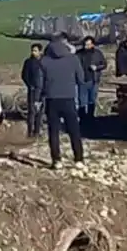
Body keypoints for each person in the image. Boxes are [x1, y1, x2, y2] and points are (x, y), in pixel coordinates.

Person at [39, 36, 84, 168]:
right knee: (74, 130)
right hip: (68, 98)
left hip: (51, 99)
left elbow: (39, 82)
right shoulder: (73, 59)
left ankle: (56, 160)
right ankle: (79, 159)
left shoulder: (44, 61)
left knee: (54, 131)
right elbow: (80, 79)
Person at [76, 36, 106, 121]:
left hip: (94, 79)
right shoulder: (79, 54)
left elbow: (104, 64)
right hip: (82, 80)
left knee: (92, 100)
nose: (86, 47)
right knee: (82, 101)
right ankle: (83, 118)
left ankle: (91, 117)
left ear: (92, 44)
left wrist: (96, 67)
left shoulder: (97, 53)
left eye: (88, 45)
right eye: (85, 45)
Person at [20, 43, 45, 138]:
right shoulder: (28, 62)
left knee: (41, 112)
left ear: (40, 51)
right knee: (32, 112)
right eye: (32, 50)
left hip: (43, 91)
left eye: (35, 50)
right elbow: (24, 75)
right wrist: (30, 86)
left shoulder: (44, 62)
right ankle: (30, 131)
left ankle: (37, 131)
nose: (33, 52)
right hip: (33, 91)